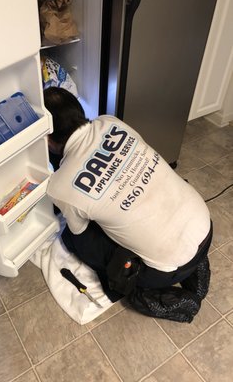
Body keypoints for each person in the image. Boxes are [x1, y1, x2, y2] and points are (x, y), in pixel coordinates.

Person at [44, 86, 212, 323]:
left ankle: (172, 299)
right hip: (203, 224)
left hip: (168, 266)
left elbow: (81, 235)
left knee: (75, 240)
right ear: (79, 110)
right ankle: (197, 270)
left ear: (48, 138)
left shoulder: (59, 186)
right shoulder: (110, 122)